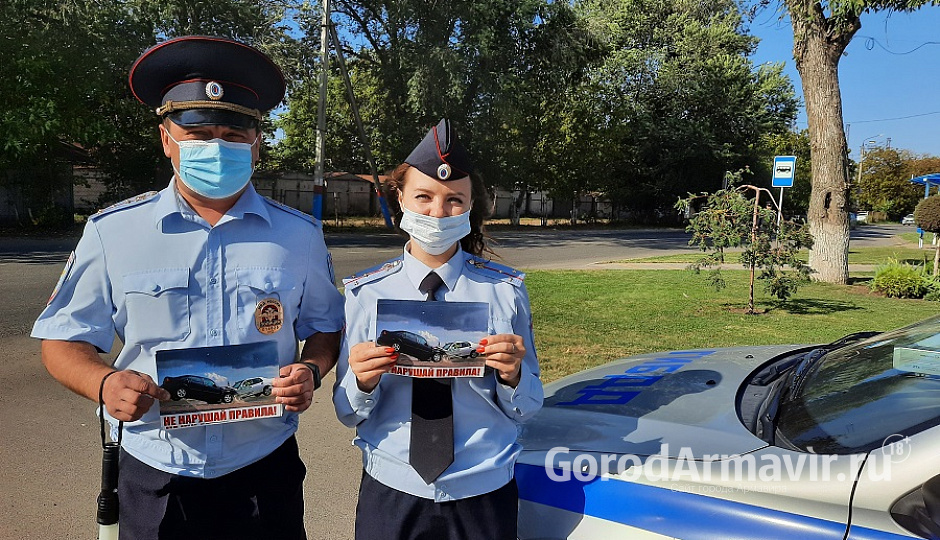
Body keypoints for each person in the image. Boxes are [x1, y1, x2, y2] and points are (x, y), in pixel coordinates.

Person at [31, 36, 345, 540]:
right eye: (198, 134)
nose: (216, 147)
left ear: (256, 143)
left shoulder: (299, 235)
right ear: (166, 138)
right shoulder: (114, 232)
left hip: (264, 470)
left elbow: (326, 327)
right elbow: (63, 341)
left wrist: (310, 370)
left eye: (233, 134)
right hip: (157, 471)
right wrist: (105, 384)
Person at [333, 119, 543, 540]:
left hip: (482, 487)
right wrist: (362, 381)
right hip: (392, 486)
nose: (438, 212)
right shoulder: (366, 293)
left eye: (454, 200)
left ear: (470, 206)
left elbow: (528, 406)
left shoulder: (504, 292)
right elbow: (347, 411)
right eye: (424, 196)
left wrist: (513, 376)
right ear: (400, 198)